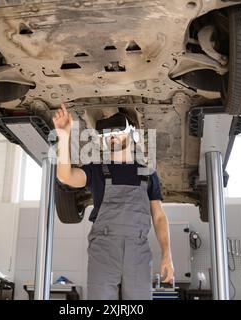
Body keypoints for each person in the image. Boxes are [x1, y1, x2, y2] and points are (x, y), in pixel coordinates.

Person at [53, 104, 174, 300]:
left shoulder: (147, 173)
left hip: (138, 250)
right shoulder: (97, 170)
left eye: (117, 132)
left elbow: (159, 217)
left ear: (131, 134)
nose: (112, 137)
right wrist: (64, 136)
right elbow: (66, 177)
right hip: (104, 250)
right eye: (107, 135)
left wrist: (167, 254)